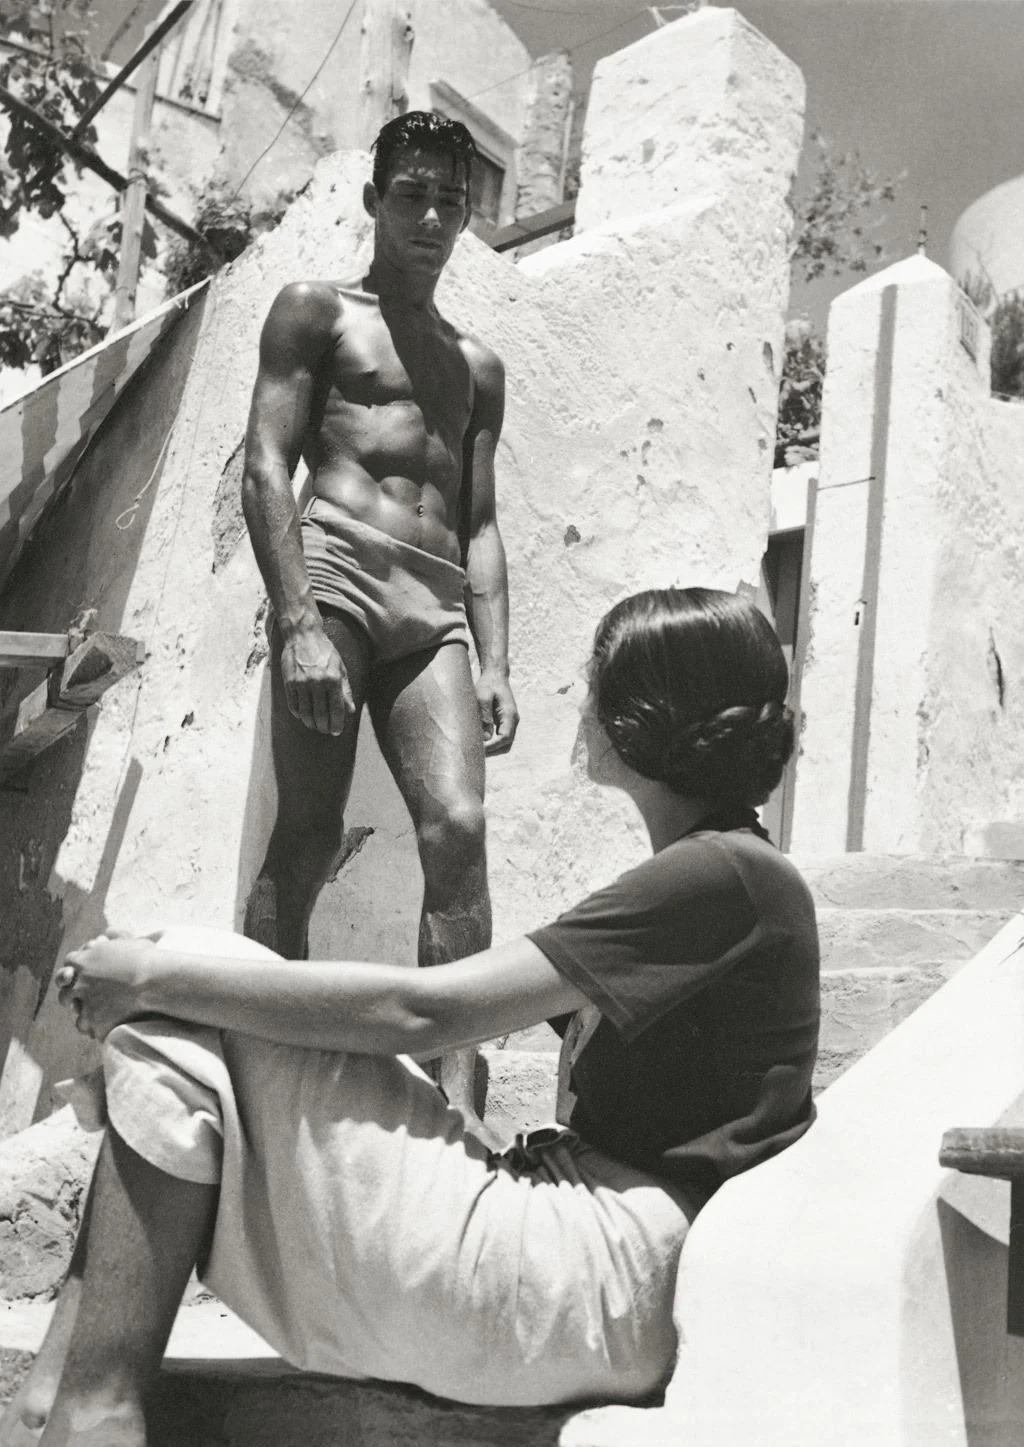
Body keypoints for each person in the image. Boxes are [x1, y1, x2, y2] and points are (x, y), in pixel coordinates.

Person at [2, 588, 819, 1447]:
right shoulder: (719, 876)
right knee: (175, 1024)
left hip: (597, 1276)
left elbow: (425, 1010)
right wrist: (164, 989)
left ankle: (90, 1411)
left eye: (597, 684)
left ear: (641, 720)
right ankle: (57, 1405)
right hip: (595, 1274)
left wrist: (154, 973)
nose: (581, 703)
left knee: (186, 981)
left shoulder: (722, 875)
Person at [240, 110, 518, 1139]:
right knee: (309, 829)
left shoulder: (477, 366)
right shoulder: (316, 312)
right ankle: (257, 1063)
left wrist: (496, 659)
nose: (432, 218)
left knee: (460, 827)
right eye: (412, 196)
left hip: (432, 603)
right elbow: (266, 465)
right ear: (373, 201)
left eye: (451, 201)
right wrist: (297, 620)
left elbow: (479, 522)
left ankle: (454, 1099)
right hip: (336, 574)